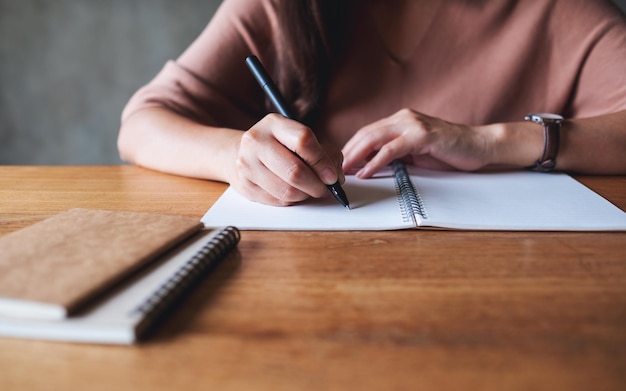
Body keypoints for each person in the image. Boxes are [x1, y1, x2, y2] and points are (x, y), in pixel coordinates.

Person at [118, 0, 626, 206]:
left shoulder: (557, 10)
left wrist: (493, 140)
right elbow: (142, 123)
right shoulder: (286, 6)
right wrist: (238, 158)